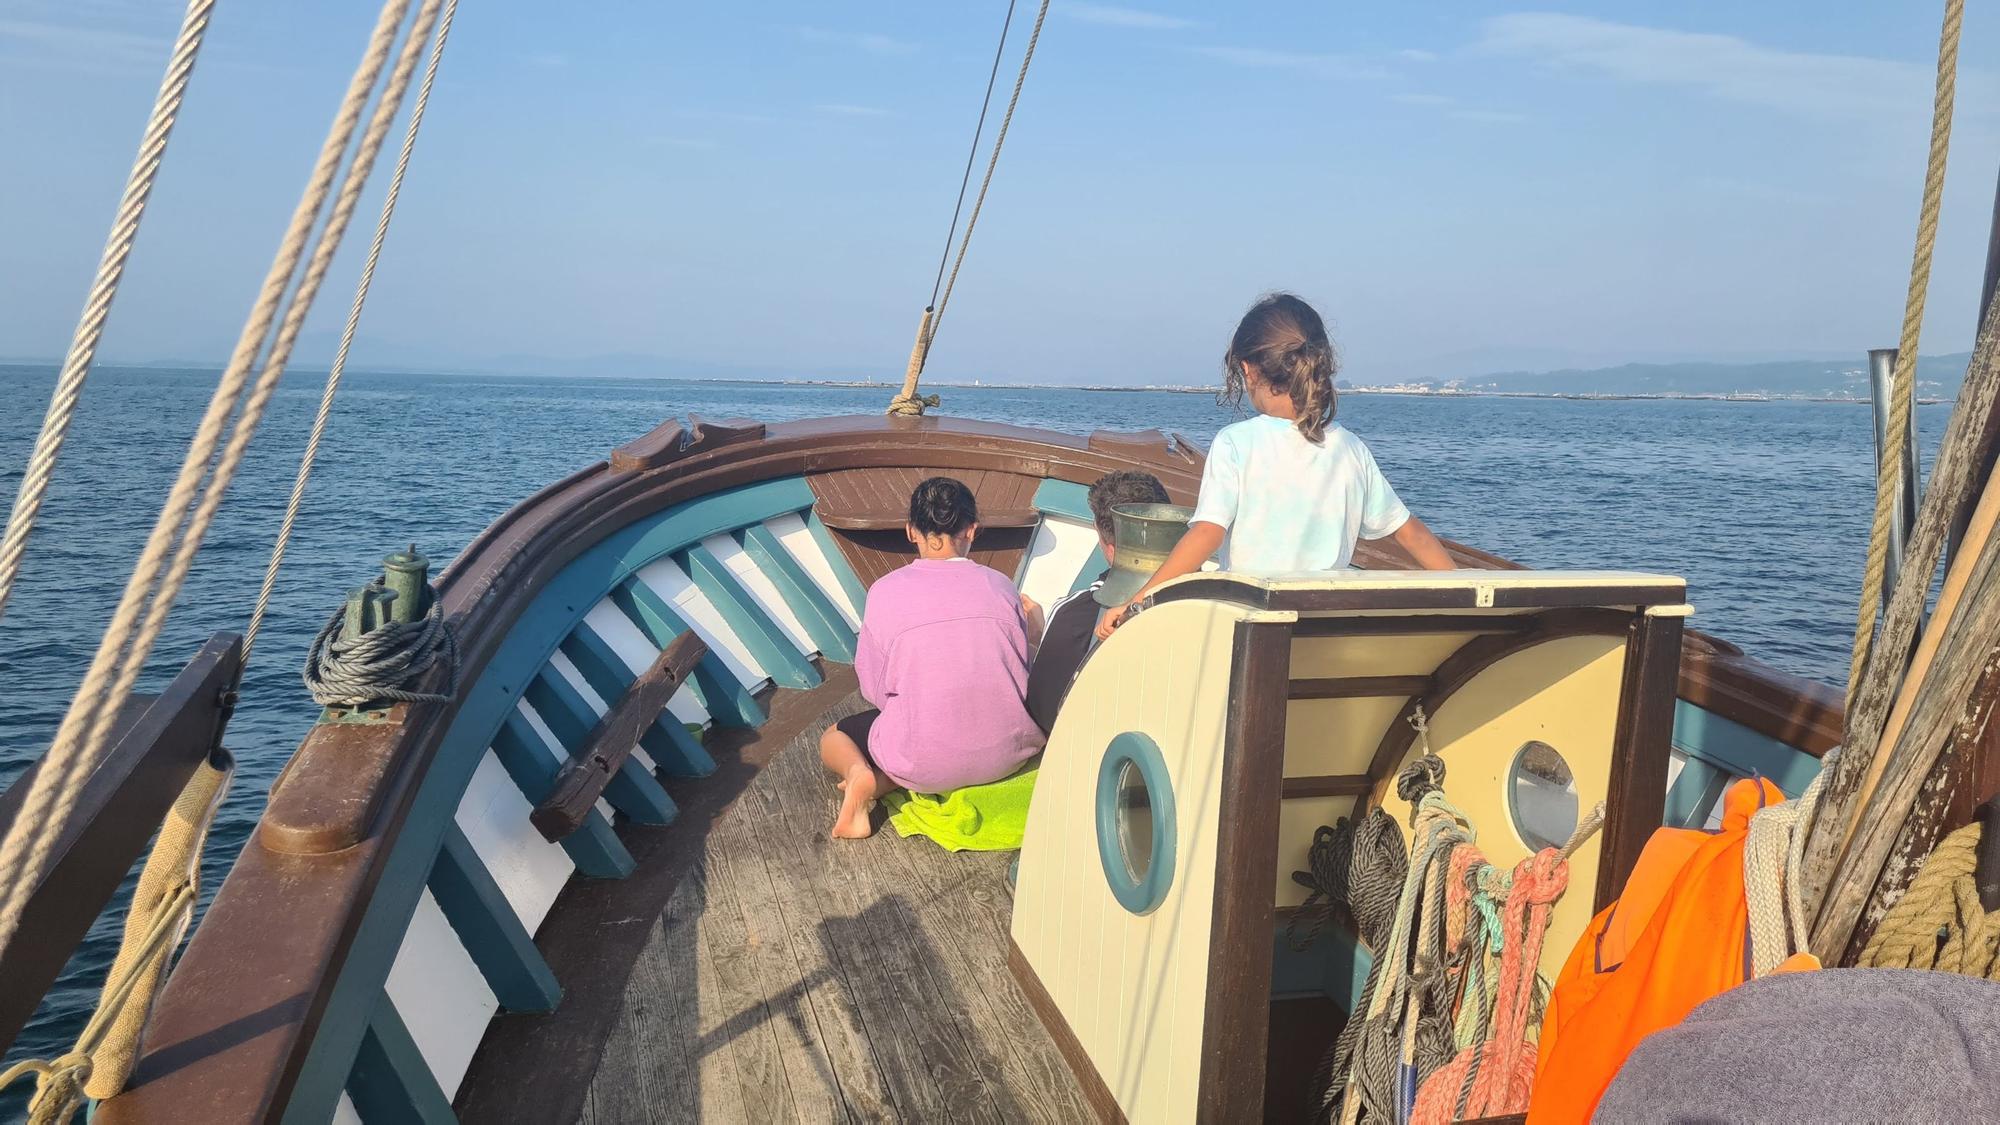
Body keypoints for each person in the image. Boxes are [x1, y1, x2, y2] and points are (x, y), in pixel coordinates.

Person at [1098, 292, 1455, 638]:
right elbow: (1412, 534)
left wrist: (1136, 604)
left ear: (1248, 370)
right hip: (1325, 630)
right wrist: (1467, 598)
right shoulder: (1349, 448)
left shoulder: (1235, 443)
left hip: (1252, 631)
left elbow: (1207, 533)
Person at [818, 476, 1044, 839]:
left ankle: (862, 777)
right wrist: (1035, 631)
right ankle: (884, 780)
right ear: (971, 530)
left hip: (924, 762)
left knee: (833, 737)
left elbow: (874, 691)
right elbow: (1022, 677)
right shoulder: (1001, 586)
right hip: (1009, 757)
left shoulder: (884, 592)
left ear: (910, 531)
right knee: (944, 736)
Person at [1024, 470, 1171, 735]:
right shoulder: (1206, 604)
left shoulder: (1072, 612)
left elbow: (1044, 714)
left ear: (1108, 544)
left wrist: (1037, 639)